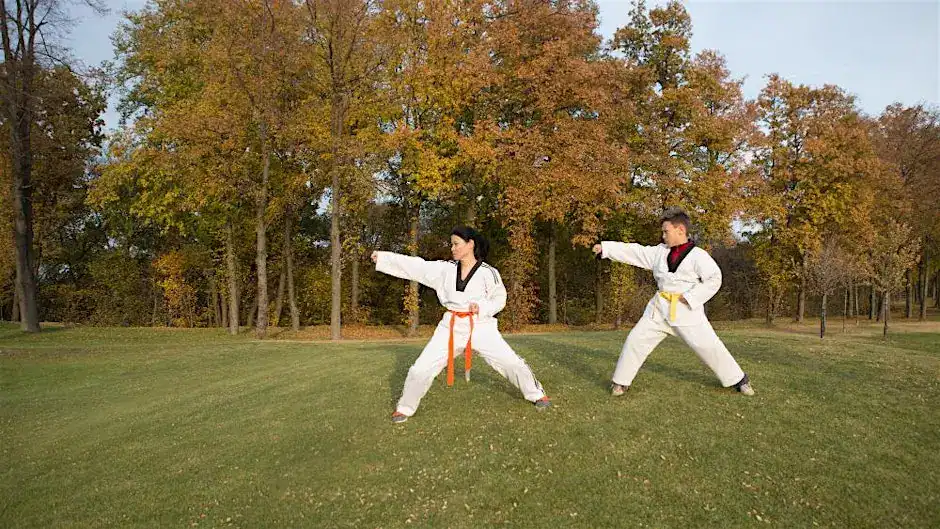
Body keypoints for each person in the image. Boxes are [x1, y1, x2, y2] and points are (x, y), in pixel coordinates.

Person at [372, 226, 551, 423]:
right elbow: (417, 267)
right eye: (452, 244)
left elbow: (500, 299)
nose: (452, 248)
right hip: (451, 326)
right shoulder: (445, 269)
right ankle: (405, 407)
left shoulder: (488, 272)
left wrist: (482, 307)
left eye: (456, 244)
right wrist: (384, 259)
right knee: (420, 368)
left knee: (510, 362)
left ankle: (536, 393)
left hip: (481, 325)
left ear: (470, 244)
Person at [592, 208, 755, 397]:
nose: (663, 236)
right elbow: (636, 251)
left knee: (709, 346)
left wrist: (692, 297)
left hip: (687, 311)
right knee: (635, 341)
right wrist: (607, 249)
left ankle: (739, 380)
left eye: (665, 231)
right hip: (658, 311)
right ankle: (620, 383)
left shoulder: (698, 256)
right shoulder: (659, 253)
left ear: (680, 230)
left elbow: (714, 279)